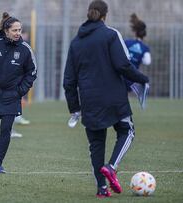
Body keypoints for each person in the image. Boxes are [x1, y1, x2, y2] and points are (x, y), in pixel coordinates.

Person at [63, 0, 149, 198]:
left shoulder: (76, 43)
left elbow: (69, 80)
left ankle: (101, 189)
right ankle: (111, 167)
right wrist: (142, 79)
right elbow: (123, 66)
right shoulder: (111, 34)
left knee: (96, 145)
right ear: (105, 15)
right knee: (127, 131)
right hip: (114, 98)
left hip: (89, 101)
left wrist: (75, 108)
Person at [0, 12, 37, 173]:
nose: (18, 33)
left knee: (6, 130)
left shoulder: (25, 50)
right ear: (6, 30)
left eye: (20, 30)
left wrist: (20, 91)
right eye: (15, 30)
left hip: (11, 97)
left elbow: (32, 72)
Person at [124, 13, 151, 91]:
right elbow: (147, 62)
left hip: (120, 76)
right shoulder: (145, 48)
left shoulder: (127, 42)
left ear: (135, 32)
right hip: (132, 79)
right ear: (144, 34)